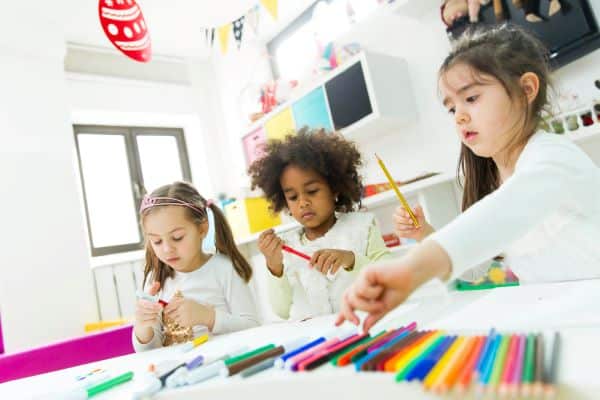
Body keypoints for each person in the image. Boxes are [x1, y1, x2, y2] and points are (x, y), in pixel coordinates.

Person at [338, 25, 600, 331]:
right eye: (451, 109)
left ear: (527, 89)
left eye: (471, 98)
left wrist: (411, 270)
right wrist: (426, 233)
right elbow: (477, 269)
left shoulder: (553, 158)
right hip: (569, 317)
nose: (459, 115)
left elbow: (501, 214)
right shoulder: (496, 178)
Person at [248, 129, 390, 321]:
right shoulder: (286, 247)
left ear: (335, 189)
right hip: (320, 341)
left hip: (365, 329)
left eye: (312, 191)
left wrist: (351, 260)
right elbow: (281, 310)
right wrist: (275, 266)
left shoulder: (362, 227)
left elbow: (390, 276)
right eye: (292, 197)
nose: (303, 202)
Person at [133, 181, 259, 351]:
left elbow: (253, 326)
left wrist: (209, 318)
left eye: (177, 237)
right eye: (156, 241)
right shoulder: (155, 280)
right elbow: (149, 351)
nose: (167, 248)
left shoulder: (223, 269)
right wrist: (142, 329)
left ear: (202, 229)